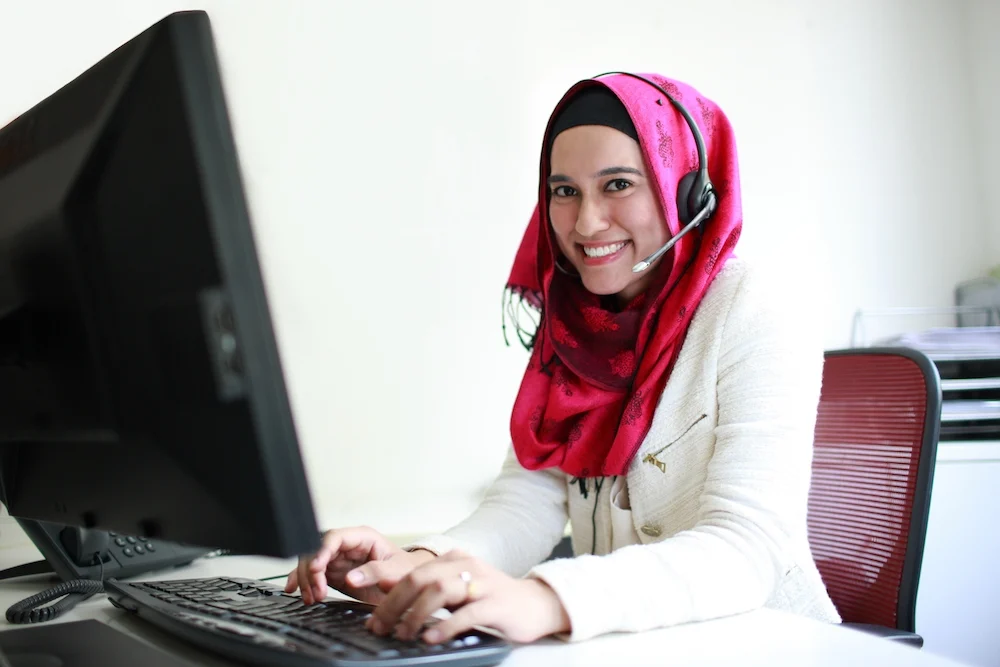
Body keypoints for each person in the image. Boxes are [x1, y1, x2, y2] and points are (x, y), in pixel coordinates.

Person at [285, 71, 841, 645]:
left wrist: (547, 598)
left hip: (768, 644)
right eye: (565, 190)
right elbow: (528, 500)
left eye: (618, 184)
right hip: (634, 647)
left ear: (687, 192)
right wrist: (423, 563)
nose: (585, 223)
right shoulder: (576, 321)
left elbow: (745, 545)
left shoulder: (755, 305)